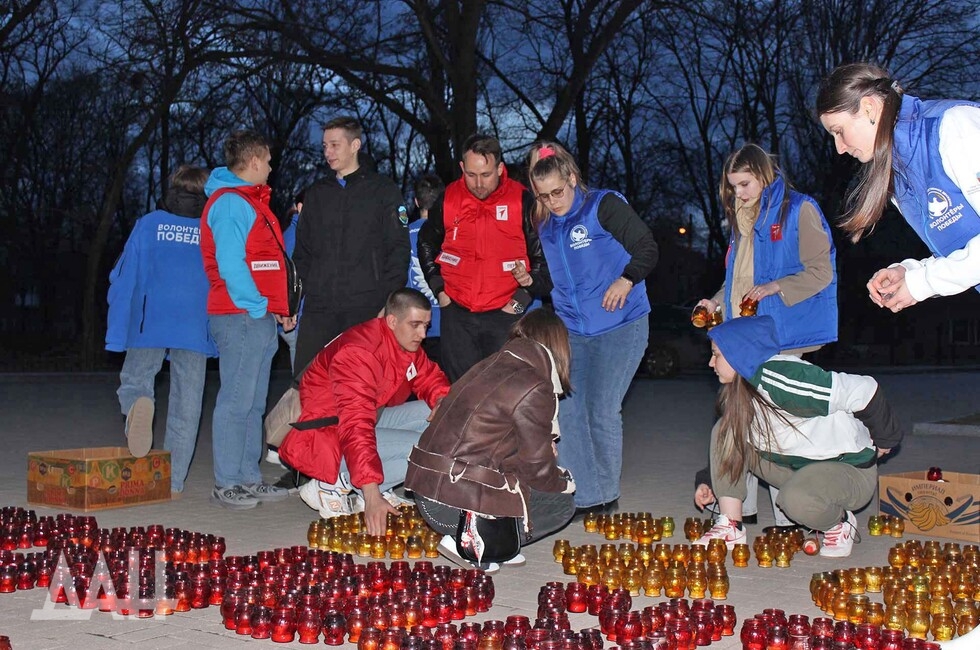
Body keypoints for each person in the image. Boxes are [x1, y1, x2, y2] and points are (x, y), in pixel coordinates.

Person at [695, 143, 839, 527]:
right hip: (747, 337)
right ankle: (736, 512)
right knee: (742, 420)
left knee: (778, 428)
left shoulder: (799, 210)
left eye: (744, 184)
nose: (738, 193)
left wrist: (776, 287)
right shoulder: (742, 222)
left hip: (785, 333)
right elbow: (738, 281)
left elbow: (820, 272)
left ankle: (792, 516)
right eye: (732, 187)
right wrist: (714, 302)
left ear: (764, 175)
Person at [695, 316, 903, 557]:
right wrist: (709, 481)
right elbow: (728, 447)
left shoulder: (785, 379)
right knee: (726, 427)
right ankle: (731, 526)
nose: (711, 362)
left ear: (739, 353)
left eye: (717, 354)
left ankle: (839, 522)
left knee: (793, 501)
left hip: (847, 471)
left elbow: (864, 390)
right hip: (796, 467)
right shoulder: (739, 390)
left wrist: (886, 438)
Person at [524, 141, 658, 514]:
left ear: (572, 178)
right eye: (544, 196)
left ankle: (605, 494)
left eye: (558, 192)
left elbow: (647, 247)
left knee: (601, 408)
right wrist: (528, 281)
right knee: (568, 408)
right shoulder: (547, 227)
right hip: (575, 333)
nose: (553, 201)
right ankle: (582, 495)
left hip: (622, 324)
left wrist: (626, 279)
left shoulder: (604, 205)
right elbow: (552, 283)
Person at [405, 309, 576, 573]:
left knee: (528, 483)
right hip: (452, 502)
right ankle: (475, 541)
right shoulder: (533, 383)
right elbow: (536, 467)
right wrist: (562, 481)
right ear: (559, 347)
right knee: (561, 503)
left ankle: (502, 543)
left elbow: (494, 443)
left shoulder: (490, 364)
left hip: (427, 488)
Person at [278, 288, 451, 536]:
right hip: (327, 438)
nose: (422, 334)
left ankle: (370, 487)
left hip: (367, 420)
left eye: (426, 325)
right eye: (415, 325)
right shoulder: (359, 352)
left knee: (443, 416)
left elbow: (428, 376)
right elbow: (355, 426)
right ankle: (335, 484)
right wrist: (372, 494)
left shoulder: (401, 341)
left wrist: (442, 400)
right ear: (392, 320)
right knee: (425, 451)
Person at [816, 62, 980, 310]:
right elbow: (963, 252)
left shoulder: (954, 126)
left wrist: (923, 282)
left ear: (869, 108)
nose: (839, 148)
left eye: (839, 131)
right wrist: (910, 272)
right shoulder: (898, 177)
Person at [105, 165, 217, 494]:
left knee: (136, 380)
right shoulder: (210, 229)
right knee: (187, 403)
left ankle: (138, 406)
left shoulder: (149, 224)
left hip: (149, 319)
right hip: (195, 325)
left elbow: (123, 273)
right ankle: (172, 480)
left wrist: (118, 320)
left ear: (173, 188)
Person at [200, 130, 295, 510]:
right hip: (239, 315)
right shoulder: (230, 204)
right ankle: (226, 483)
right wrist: (258, 306)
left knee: (253, 403)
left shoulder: (251, 202)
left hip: (257, 315)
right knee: (236, 401)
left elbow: (264, 264)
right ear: (254, 161)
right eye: (268, 161)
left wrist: (274, 307)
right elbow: (231, 263)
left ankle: (247, 478)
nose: (271, 168)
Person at [417, 134, 552, 381]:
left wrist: (519, 302)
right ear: (462, 168)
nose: (479, 183)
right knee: (459, 393)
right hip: (457, 314)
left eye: (486, 175)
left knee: (503, 393)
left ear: (500, 168)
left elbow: (544, 262)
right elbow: (426, 243)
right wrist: (440, 290)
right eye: (471, 175)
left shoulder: (522, 201)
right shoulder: (449, 198)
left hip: (505, 316)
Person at [292, 116, 410, 375]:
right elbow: (302, 255)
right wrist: (292, 302)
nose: (328, 152)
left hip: (366, 307)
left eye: (334, 145)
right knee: (307, 382)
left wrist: (388, 301)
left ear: (355, 145)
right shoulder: (316, 194)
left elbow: (398, 250)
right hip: (319, 310)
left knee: (359, 383)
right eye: (324, 146)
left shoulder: (383, 191)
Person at [408, 174, 445, 363]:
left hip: (413, 332)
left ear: (416, 201)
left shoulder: (402, 238)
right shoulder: (453, 235)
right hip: (449, 328)